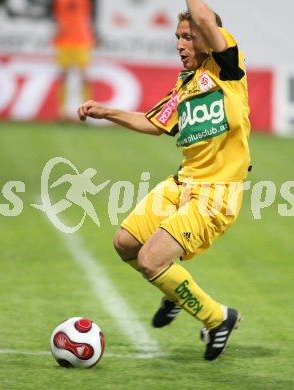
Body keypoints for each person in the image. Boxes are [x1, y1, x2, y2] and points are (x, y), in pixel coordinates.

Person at [77, 0, 251, 361]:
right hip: (181, 184)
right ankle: (175, 293)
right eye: (177, 37)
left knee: (151, 261)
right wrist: (105, 111)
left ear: (207, 37)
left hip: (216, 194)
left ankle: (218, 318)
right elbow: (155, 124)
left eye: (188, 37)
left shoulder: (227, 69)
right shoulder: (185, 84)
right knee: (125, 243)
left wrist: (199, 22)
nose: (179, 44)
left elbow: (203, 17)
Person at [52, 0, 95, 121]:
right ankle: (62, 112)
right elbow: (57, 17)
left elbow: (89, 16)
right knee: (63, 77)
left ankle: (88, 112)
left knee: (84, 77)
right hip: (64, 41)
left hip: (82, 40)